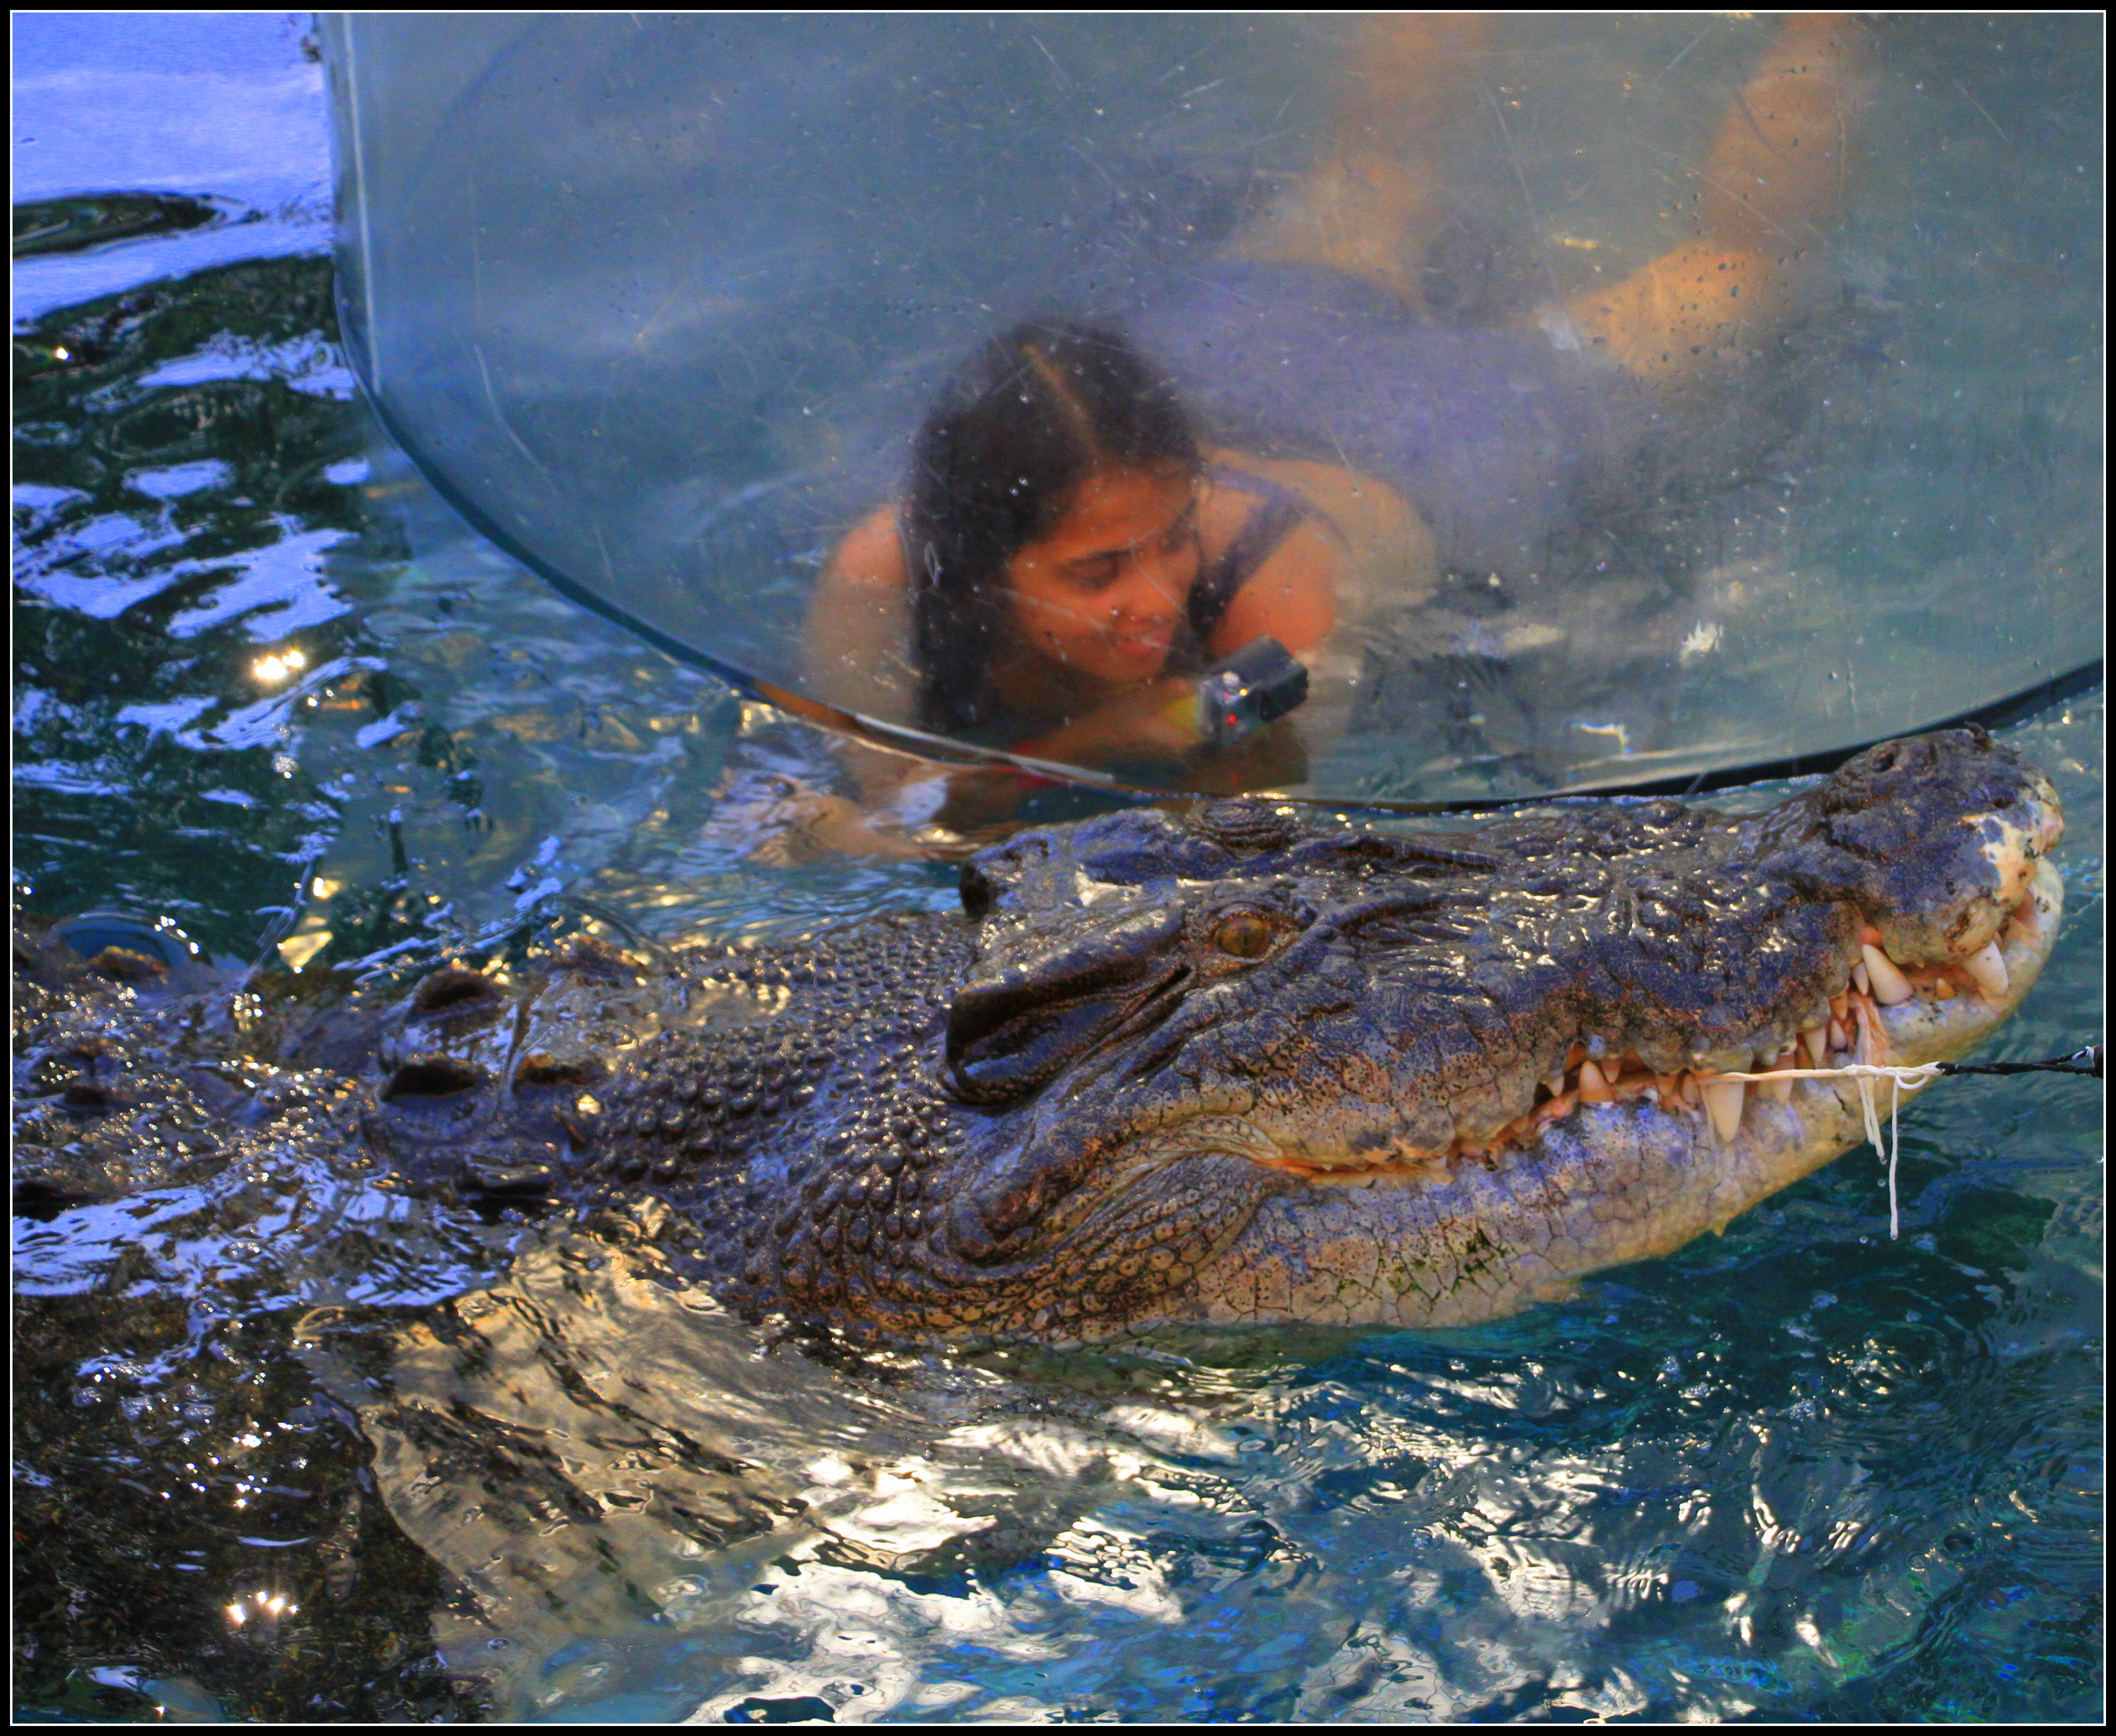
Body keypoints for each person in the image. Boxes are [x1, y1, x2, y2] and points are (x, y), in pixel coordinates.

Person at [794, 12, 1870, 844]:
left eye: (1169, 540)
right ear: (980, 558)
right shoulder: (881, 570)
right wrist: (901, 814)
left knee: (1736, 268)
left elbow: (1254, 796)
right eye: (1096, 573)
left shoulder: (1275, 578)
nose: (1155, 598)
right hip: (1233, 357)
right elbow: (876, 799)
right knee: (1374, 166)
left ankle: (1830, 24)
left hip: (1431, 441)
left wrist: (1068, 752)